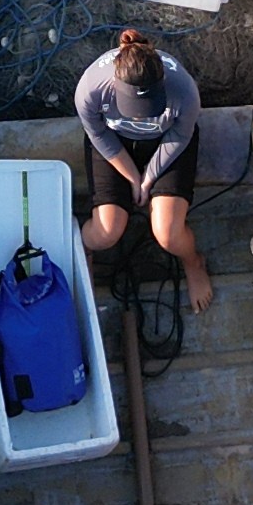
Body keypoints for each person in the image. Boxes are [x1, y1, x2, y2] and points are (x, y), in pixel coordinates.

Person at [74, 25, 213, 312]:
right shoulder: (90, 89)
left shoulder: (184, 90)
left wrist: (148, 179)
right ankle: (84, 251)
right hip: (114, 143)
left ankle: (193, 262)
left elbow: (180, 136)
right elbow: (99, 134)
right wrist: (133, 178)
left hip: (165, 141)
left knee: (168, 233)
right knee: (106, 232)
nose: (140, 115)